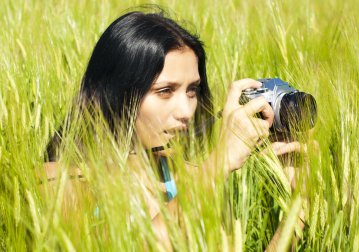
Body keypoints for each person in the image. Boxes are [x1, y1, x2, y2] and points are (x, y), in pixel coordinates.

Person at [42, 8, 308, 250]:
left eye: (192, 90)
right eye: (165, 91)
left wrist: (298, 208)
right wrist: (217, 166)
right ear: (117, 92)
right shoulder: (59, 181)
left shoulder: (191, 176)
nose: (185, 111)